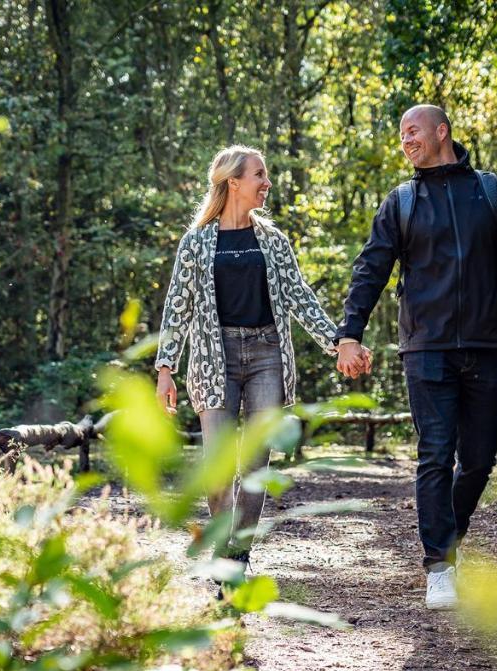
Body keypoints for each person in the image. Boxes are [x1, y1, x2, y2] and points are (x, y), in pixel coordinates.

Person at [334, 105, 497, 610]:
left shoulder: (491, 193)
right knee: (435, 453)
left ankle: (448, 540)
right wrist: (349, 334)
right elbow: (371, 270)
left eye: (413, 131)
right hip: (425, 348)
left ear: (441, 132)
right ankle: (439, 565)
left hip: (483, 344)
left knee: (478, 459)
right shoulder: (402, 202)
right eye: (401, 133)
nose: (405, 139)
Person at [155, 145, 366, 573]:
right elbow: (178, 305)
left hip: (267, 354)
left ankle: (239, 556)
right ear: (233, 181)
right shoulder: (196, 242)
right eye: (259, 175)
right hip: (215, 359)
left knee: (254, 463)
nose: (266, 183)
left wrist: (340, 341)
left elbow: (299, 297)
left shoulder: (272, 240)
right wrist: (165, 369)